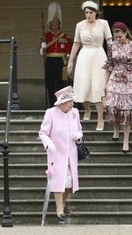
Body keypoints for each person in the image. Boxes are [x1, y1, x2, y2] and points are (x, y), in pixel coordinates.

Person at [39, 86, 82, 224]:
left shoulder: (75, 112)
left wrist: (79, 136)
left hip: (72, 153)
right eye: (70, 101)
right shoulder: (50, 113)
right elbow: (43, 133)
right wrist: (48, 143)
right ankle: (59, 210)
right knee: (59, 181)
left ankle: (62, 203)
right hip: (56, 153)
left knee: (70, 184)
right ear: (62, 102)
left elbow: (79, 129)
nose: (72, 104)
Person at [67, 0, 112, 131]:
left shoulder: (103, 23)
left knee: (99, 87)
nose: (88, 15)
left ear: (96, 13)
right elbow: (76, 43)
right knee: (84, 85)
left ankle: (100, 118)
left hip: (99, 54)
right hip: (84, 55)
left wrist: (112, 59)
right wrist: (71, 61)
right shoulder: (80, 25)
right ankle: (87, 109)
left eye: (90, 13)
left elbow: (109, 42)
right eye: (86, 12)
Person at [103, 21, 132, 153]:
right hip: (114, 77)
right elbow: (109, 64)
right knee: (113, 106)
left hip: (129, 78)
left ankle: (125, 140)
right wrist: (105, 83)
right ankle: (116, 129)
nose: (118, 39)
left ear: (126, 33)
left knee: (127, 110)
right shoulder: (111, 45)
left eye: (120, 36)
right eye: (116, 37)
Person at [39, 2, 72, 107]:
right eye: (52, 24)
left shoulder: (65, 37)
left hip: (61, 62)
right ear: (50, 25)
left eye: (56, 24)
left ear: (59, 24)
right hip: (50, 62)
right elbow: (41, 51)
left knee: (62, 84)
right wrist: (43, 44)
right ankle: (52, 105)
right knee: (50, 84)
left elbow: (69, 51)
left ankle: (62, 104)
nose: (54, 26)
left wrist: (67, 62)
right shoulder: (46, 36)